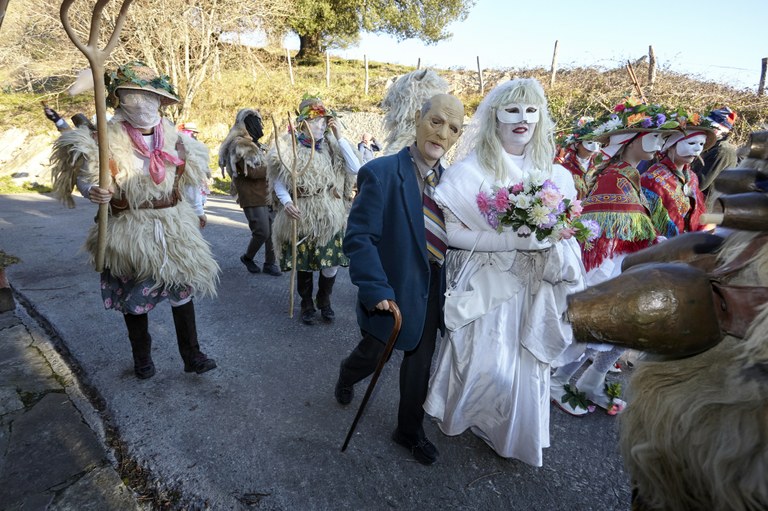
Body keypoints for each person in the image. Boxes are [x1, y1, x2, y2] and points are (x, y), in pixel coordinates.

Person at [421, 79, 585, 466]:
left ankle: (510, 434)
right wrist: (512, 241)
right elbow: (454, 234)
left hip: (535, 286)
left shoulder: (557, 175)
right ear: (495, 116)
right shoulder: (469, 171)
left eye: (530, 111)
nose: (522, 119)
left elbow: (568, 227)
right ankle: (468, 416)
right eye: (512, 110)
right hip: (489, 283)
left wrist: (553, 241)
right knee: (487, 360)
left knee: (524, 366)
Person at [50, 61, 219, 379]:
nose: (141, 102)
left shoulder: (177, 141)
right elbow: (90, 177)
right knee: (135, 299)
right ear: (119, 98)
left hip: (174, 228)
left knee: (182, 292)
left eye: (148, 95)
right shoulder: (107, 139)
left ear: (161, 101)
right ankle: (142, 358)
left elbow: (190, 180)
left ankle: (192, 355)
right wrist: (94, 192)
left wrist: (198, 212)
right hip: (130, 229)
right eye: (132, 95)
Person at [336, 92, 465, 466]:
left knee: (420, 365)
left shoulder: (452, 185)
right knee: (375, 354)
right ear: (418, 120)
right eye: (436, 121)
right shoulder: (380, 172)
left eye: (453, 128)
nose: (442, 134)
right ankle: (347, 375)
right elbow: (360, 238)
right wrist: (375, 288)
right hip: (390, 291)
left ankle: (408, 430)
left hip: (431, 290)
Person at [550, 98, 672, 416]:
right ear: (629, 140)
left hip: (616, 266)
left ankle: (580, 380)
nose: (660, 143)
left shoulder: (627, 175)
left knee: (605, 329)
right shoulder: (615, 176)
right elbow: (611, 229)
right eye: (655, 136)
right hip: (602, 267)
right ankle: (556, 380)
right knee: (588, 328)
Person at [266, 95, 360, 324]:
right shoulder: (289, 146)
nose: (321, 125)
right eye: (316, 120)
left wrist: (340, 136)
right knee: (304, 264)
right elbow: (279, 179)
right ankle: (306, 303)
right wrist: (287, 202)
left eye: (324, 121)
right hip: (303, 212)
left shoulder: (331, 146)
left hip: (329, 213)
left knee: (331, 263)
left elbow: (356, 167)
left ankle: (324, 299)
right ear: (303, 123)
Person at [219, 109, 281, 276]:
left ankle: (270, 263)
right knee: (262, 231)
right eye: (257, 123)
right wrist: (274, 167)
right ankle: (248, 257)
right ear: (249, 125)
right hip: (252, 195)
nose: (261, 126)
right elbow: (252, 172)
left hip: (267, 194)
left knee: (273, 231)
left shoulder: (255, 145)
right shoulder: (240, 145)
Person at [642, 113, 716, 237]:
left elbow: (698, 213)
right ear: (670, 146)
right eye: (691, 143)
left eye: (701, 144)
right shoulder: (651, 178)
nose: (697, 149)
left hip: (689, 244)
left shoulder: (692, 177)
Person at [692, 106, 738, 193]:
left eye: (708, 127)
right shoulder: (710, 146)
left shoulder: (722, 152)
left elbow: (699, 184)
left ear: (717, 131)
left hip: (707, 203)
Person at [555, 116, 601, 199]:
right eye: (590, 142)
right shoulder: (565, 167)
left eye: (597, 143)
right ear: (577, 144)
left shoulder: (599, 167)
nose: (594, 148)